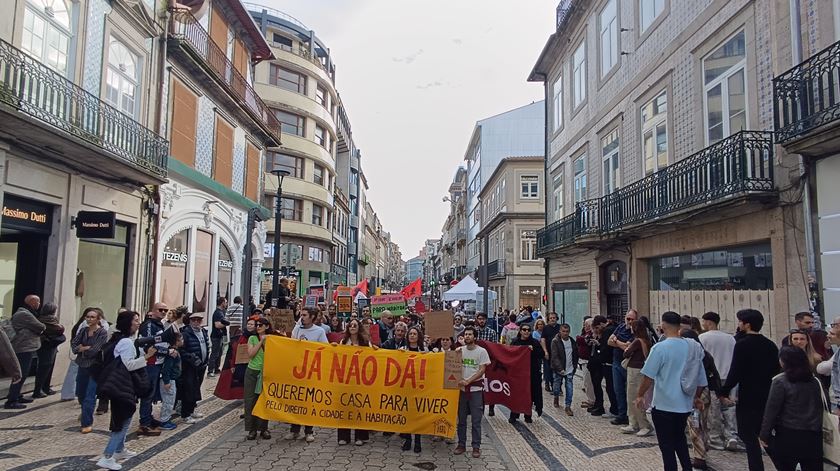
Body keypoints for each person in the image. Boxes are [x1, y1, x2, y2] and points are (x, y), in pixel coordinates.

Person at [634, 311, 707, 471]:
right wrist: (696, 397)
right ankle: (687, 468)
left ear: (664, 325)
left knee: (666, 446)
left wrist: (640, 395)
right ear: (679, 326)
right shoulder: (693, 347)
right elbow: (701, 378)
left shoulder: (660, 348)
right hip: (684, 405)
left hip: (664, 405)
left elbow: (648, 376)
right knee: (680, 439)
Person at [717, 309, 779, 471]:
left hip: (748, 394)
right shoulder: (770, 344)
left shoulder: (743, 344)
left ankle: (756, 467)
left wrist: (724, 391)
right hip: (766, 393)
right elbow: (776, 369)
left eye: (740, 322)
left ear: (747, 324)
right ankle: (781, 464)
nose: (738, 325)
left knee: (748, 434)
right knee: (763, 432)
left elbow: (736, 370)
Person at [96, 311, 157, 471]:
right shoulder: (126, 343)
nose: (138, 323)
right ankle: (107, 457)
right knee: (122, 422)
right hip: (122, 386)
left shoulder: (121, 340)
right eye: (135, 320)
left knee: (124, 418)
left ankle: (119, 450)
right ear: (128, 323)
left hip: (120, 385)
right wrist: (146, 357)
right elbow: (128, 365)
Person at [760, 346, 823, 471]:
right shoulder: (814, 381)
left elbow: (772, 411)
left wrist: (764, 435)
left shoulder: (780, 381)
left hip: (788, 433)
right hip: (813, 434)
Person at [698, 311, 740, 451]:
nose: (702, 324)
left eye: (703, 321)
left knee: (713, 408)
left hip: (712, 377)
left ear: (709, 322)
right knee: (730, 407)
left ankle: (715, 438)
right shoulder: (730, 338)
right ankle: (731, 435)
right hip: (729, 376)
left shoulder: (702, 338)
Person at [682, 328, 722, 471]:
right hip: (705, 392)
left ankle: (700, 457)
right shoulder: (705, 354)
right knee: (702, 423)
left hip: (696, 393)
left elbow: (698, 378)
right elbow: (715, 374)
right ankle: (703, 450)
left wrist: (694, 397)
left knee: (695, 425)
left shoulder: (692, 357)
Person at [285, 308, 328, 442]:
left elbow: (325, 349)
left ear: (312, 317)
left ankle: (309, 431)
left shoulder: (319, 331)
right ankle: (294, 430)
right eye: (301, 315)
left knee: (308, 403)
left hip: (311, 373)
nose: (301, 317)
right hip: (297, 371)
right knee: (296, 401)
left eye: (304, 315)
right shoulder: (297, 330)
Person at [453, 326, 490, 459]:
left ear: (475, 337)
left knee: (476, 420)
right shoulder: (459, 351)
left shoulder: (482, 352)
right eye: (466, 334)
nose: (467, 336)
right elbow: (451, 365)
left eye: (470, 334)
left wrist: (468, 381)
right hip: (461, 390)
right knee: (461, 420)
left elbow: (482, 370)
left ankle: (476, 446)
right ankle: (461, 444)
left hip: (475, 391)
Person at [70, 307, 108, 433]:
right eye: (88, 316)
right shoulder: (83, 331)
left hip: (94, 366)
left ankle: (86, 423)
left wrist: (83, 349)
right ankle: (84, 411)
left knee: (90, 395)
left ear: (98, 319)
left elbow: (95, 350)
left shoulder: (102, 333)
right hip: (82, 365)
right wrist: (81, 349)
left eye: (92, 317)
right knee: (80, 392)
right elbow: (74, 346)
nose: (89, 319)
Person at [5, 294, 45, 409]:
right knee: (20, 373)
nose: (39, 304)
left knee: (24, 372)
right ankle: (12, 400)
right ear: (32, 302)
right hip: (23, 347)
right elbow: (41, 327)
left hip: (27, 347)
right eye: (37, 302)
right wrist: (38, 329)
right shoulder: (24, 314)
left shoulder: (27, 313)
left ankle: (16, 395)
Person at [336, 319, 372, 446]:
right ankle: (343, 437)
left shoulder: (365, 343)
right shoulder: (343, 342)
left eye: (355, 325)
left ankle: (360, 436)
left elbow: (372, 357)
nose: (352, 327)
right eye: (350, 325)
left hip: (361, 380)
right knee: (344, 407)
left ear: (359, 328)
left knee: (360, 408)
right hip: (346, 380)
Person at [136, 302, 169, 436]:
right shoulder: (150, 325)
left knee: (152, 393)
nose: (163, 312)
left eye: (165, 310)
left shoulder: (159, 324)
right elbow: (148, 344)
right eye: (160, 309)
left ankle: (148, 418)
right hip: (150, 363)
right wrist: (167, 351)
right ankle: (144, 423)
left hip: (157, 363)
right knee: (148, 393)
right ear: (153, 310)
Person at [622, 317, 653, 436]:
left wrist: (627, 347)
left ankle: (644, 425)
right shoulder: (646, 340)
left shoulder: (637, 341)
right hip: (638, 370)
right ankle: (633, 423)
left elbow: (626, 353)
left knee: (634, 397)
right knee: (632, 397)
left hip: (636, 371)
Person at [607, 309, 638, 426]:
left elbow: (628, 348)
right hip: (616, 362)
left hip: (628, 364)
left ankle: (632, 417)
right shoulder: (620, 327)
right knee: (618, 390)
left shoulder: (635, 331)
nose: (629, 321)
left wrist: (617, 341)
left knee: (630, 392)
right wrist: (621, 344)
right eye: (628, 318)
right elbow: (609, 342)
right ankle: (621, 415)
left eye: (632, 319)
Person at [400, 325, 428, 452]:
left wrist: (428, 355)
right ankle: (408, 439)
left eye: (414, 334)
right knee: (406, 414)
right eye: (410, 334)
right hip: (406, 388)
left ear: (418, 336)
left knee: (417, 415)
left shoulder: (424, 349)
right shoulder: (402, 349)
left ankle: (417, 440)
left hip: (419, 388)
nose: (412, 336)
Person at [509, 323, 544, 423]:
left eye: (528, 330)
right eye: (524, 330)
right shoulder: (515, 342)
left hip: (531, 373)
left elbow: (541, 354)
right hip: (518, 373)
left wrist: (533, 350)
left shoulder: (534, 342)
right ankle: (514, 414)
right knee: (516, 394)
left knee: (529, 394)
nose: (526, 332)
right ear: (520, 331)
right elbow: (510, 354)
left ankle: (527, 415)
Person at [179, 311, 210, 424]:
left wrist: (205, 360)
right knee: (188, 390)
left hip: (201, 366)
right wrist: (191, 359)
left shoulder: (203, 332)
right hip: (190, 367)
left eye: (199, 320)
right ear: (190, 321)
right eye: (194, 320)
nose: (196, 322)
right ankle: (185, 414)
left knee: (196, 389)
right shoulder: (186, 333)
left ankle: (191, 410)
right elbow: (181, 350)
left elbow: (206, 346)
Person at [244, 317, 272, 440]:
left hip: (266, 372)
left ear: (267, 326)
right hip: (253, 372)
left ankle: (264, 428)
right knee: (251, 400)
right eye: (257, 325)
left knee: (264, 400)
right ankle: (252, 429)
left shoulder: (272, 339)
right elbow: (251, 354)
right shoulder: (252, 338)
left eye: (261, 325)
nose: (258, 327)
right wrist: (261, 341)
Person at [587, 315, 617, 417]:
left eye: (596, 328)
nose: (595, 330)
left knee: (610, 387)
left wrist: (599, 344)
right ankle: (604, 407)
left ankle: (613, 409)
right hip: (599, 363)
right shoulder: (602, 332)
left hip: (604, 363)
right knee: (606, 387)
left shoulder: (607, 331)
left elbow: (605, 348)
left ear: (600, 324)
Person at [33, 302, 64, 398]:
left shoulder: (51, 319)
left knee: (48, 367)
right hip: (46, 346)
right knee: (44, 367)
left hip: (51, 345)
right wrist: (61, 327)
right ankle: (38, 390)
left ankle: (45, 387)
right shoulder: (44, 320)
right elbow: (58, 329)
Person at [550, 323, 578, 415]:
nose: (565, 333)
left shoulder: (572, 342)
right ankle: (556, 396)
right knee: (557, 386)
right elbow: (554, 356)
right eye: (563, 331)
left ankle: (568, 406)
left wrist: (574, 367)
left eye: (567, 331)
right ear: (560, 331)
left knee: (569, 388)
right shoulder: (555, 341)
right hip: (559, 369)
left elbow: (575, 355)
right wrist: (560, 368)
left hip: (570, 369)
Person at [159, 331, 182, 431]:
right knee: (168, 401)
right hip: (169, 380)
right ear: (176, 341)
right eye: (180, 339)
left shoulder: (174, 351)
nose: (182, 341)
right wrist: (167, 381)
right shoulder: (172, 353)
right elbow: (166, 368)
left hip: (172, 379)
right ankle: (164, 421)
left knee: (170, 400)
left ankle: (166, 419)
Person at [208, 297, 230, 377]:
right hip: (216, 336)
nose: (226, 304)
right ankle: (210, 370)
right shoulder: (218, 313)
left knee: (220, 353)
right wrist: (226, 324)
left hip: (220, 335)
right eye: (226, 302)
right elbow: (217, 325)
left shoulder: (222, 312)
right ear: (222, 303)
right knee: (215, 353)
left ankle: (217, 369)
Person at [577, 317, 595, 409]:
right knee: (587, 382)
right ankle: (590, 399)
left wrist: (579, 338)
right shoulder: (586, 333)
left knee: (588, 382)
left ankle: (592, 401)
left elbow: (583, 340)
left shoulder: (591, 334)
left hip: (588, 361)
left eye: (586, 325)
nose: (585, 326)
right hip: (583, 360)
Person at [540, 312, 561, 394]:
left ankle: (557, 386)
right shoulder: (545, 328)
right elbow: (543, 339)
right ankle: (548, 383)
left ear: (556, 319)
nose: (552, 319)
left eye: (554, 318)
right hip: (548, 352)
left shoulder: (560, 327)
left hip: (558, 353)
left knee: (558, 369)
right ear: (548, 319)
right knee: (548, 369)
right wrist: (545, 351)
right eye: (551, 318)